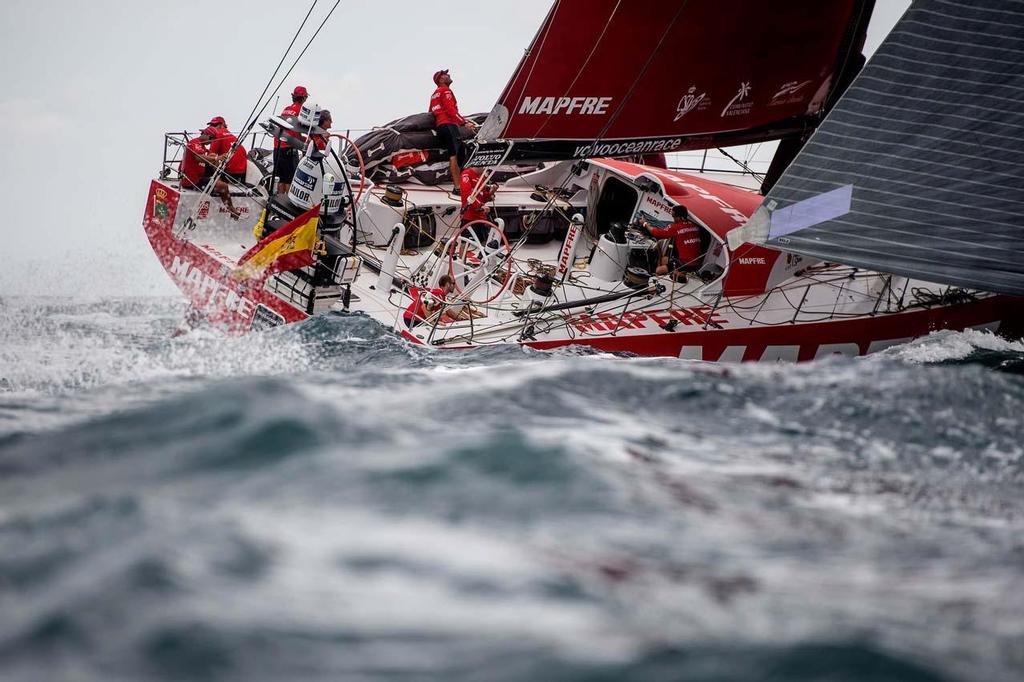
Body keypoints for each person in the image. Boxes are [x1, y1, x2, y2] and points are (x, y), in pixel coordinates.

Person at [430, 69, 478, 193]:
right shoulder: (446, 90)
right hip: (449, 125)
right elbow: (450, 109)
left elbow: (431, 112)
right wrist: (464, 123)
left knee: (460, 153)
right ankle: (457, 187)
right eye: (445, 74)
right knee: (454, 155)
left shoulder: (434, 94)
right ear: (441, 79)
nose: (449, 75)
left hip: (441, 126)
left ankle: (463, 182)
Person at [180, 126, 240, 219]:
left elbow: (209, 157)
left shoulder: (202, 146)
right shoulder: (195, 143)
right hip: (192, 180)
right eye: (211, 138)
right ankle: (231, 209)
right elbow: (198, 157)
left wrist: (219, 157)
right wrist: (217, 158)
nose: (211, 142)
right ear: (205, 135)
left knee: (212, 156)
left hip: (199, 174)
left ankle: (218, 180)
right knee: (223, 186)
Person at [642, 204, 706, 279]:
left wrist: (645, 223)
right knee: (664, 259)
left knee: (659, 270)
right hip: (697, 263)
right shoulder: (695, 226)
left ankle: (658, 278)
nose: (673, 219)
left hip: (686, 264)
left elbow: (656, 233)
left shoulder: (675, 227)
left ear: (679, 217)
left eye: (674, 217)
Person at [274, 85, 309, 194]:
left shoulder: (286, 109)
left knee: (281, 179)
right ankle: (287, 204)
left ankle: (279, 200)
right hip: (289, 148)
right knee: (290, 179)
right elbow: (297, 131)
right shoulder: (301, 111)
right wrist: (306, 141)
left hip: (277, 146)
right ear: (303, 98)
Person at [206, 116, 249, 184]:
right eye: (211, 125)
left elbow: (210, 156)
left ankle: (217, 183)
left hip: (230, 174)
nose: (212, 127)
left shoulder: (217, 135)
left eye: (214, 125)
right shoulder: (231, 135)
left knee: (210, 159)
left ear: (222, 125)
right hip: (243, 173)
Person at [459, 166, 497, 241]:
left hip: (481, 216)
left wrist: (491, 192)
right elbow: (467, 194)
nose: (485, 170)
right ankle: (462, 253)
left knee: (484, 241)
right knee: (465, 242)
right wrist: (480, 205)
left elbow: (484, 197)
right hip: (469, 217)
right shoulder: (466, 174)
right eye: (484, 168)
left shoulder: (481, 177)